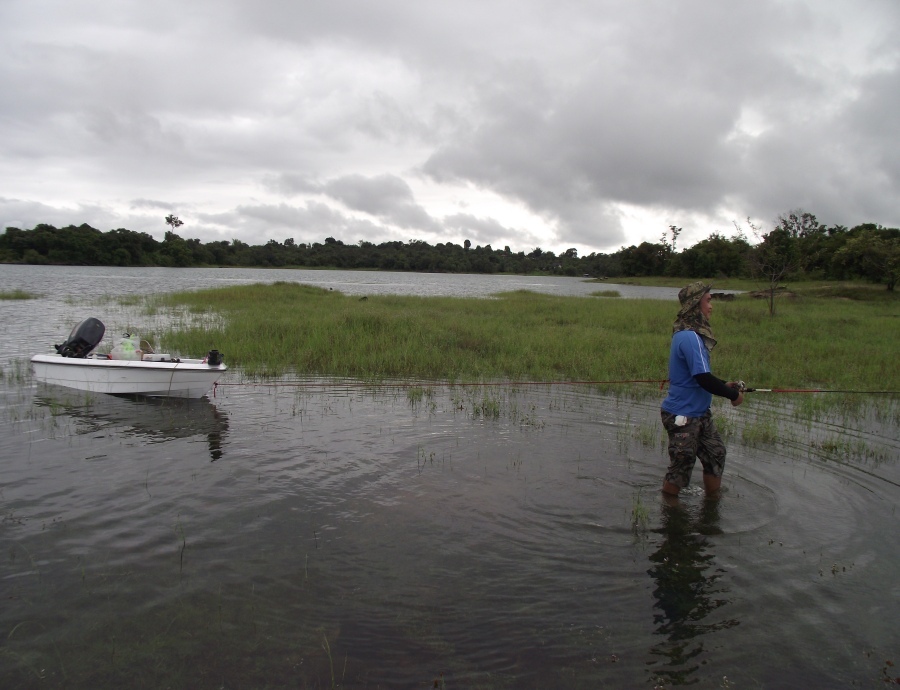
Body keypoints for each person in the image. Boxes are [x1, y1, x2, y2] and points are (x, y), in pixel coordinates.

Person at [660, 282, 743, 497]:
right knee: (681, 468)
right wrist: (733, 395)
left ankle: (712, 504)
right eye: (708, 300)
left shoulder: (689, 334)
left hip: (700, 413)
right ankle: (670, 513)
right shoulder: (689, 337)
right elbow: (703, 378)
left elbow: (701, 375)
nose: (711, 306)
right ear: (696, 304)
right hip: (683, 415)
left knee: (716, 454)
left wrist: (723, 384)